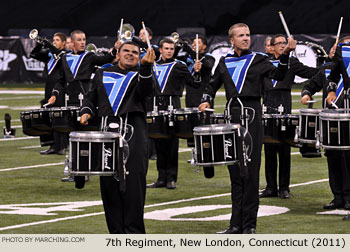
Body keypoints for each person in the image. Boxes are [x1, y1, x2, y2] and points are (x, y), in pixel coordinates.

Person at [199, 23, 296, 234]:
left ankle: (249, 225)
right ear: (231, 40)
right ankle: (235, 224)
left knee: (250, 173)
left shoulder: (259, 59)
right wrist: (206, 99)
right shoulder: (224, 62)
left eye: (248, 35)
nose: (245, 38)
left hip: (252, 115)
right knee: (235, 174)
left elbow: (279, 75)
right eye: (241, 35)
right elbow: (212, 85)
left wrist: (286, 54)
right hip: (231, 116)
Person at [79, 41, 156, 233]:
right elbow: (90, 97)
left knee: (133, 190)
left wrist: (146, 67)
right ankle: (115, 237)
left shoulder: (142, 75)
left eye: (135, 53)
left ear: (140, 57)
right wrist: (86, 111)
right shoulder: (102, 73)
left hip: (134, 136)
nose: (130, 55)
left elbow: (147, 91)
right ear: (118, 54)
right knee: (109, 189)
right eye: (126, 51)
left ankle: (135, 237)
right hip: (106, 136)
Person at [260, 34, 318, 199]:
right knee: (269, 147)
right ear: (271, 47)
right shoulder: (264, 63)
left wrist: (328, 66)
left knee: (284, 147)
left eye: (284, 43)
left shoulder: (291, 62)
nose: (283, 45)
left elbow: (310, 73)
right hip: (267, 102)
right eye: (279, 43)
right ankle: (271, 187)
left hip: (283, 102)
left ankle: (284, 188)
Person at [302, 36, 350, 210]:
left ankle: (348, 197)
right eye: (336, 48)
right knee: (332, 157)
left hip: (346, 119)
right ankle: (337, 196)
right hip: (330, 120)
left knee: (347, 158)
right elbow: (312, 84)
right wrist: (307, 92)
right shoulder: (326, 69)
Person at [146, 38, 200, 190]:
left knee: (171, 144)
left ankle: (171, 178)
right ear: (160, 50)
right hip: (155, 107)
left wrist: (197, 71)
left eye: (171, 48)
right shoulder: (152, 66)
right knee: (158, 143)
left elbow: (194, 83)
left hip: (172, 107)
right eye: (166, 48)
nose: (169, 51)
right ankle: (161, 178)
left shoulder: (179, 66)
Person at [48, 30, 118, 107]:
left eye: (84, 39)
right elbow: (61, 80)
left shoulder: (89, 56)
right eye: (79, 40)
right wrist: (54, 95)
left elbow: (104, 60)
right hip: (68, 99)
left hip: (85, 98)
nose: (82, 42)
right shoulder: (65, 58)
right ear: (72, 42)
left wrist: (115, 49)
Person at [30, 32, 68, 155]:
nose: (54, 42)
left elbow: (60, 57)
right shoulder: (49, 55)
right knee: (49, 116)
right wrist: (39, 44)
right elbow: (33, 54)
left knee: (59, 116)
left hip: (60, 88)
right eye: (53, 40)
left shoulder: (66, 54)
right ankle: (52, 145)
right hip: (48, 87)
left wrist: (49, 45)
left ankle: (62, 146)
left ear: (63, 43)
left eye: (57, 40)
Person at [183, 35, 215, 108]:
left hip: (203, 95)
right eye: (193, 43)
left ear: (204, 46)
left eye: (198, 43)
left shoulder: (209, 57)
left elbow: (208, 65)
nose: (194, 45)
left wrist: (190, 51)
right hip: (190, 95)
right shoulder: (187, 57)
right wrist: (179, 47)